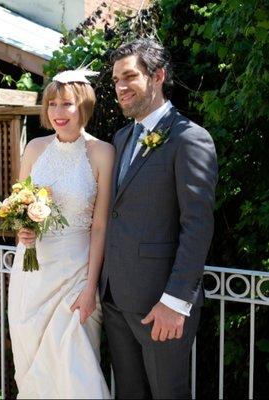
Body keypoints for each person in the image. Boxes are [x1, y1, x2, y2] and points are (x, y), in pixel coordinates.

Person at [100, 38, 218, 399]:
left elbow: (197, 226)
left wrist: (175, 301)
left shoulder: (189, 139)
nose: (120, 87)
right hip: (116, 300)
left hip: (160, 306)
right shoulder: (120, 138)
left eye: (130, 77)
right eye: (116, 79)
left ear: (158, 76)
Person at [8, 69, 114, 399]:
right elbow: (18, 207)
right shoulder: (35, 149)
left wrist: (89, 287)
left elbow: (100, 226)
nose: (57, 112)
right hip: (31, 274)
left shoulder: (102, 153)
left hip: (76, 276)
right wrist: (20, 230)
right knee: (33, 371)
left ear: (83, 106)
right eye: (51, 103)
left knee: (76, 371)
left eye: (66, 103)